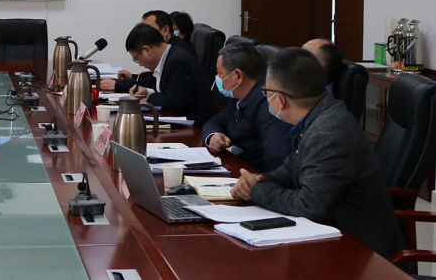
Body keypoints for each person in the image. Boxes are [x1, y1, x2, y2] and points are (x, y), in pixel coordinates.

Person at [231, 48, 404, 258]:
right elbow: (292, 166)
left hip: (361, 253)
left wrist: (256, 191)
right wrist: (260, 179)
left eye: (265, 93)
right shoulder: (319, 115)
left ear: (280, 99)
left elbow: (309, 205)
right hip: (333, 236)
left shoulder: (327, 133)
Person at [202, 42, 292, 172]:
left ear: (238, 76)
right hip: (240, 167)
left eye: (219, 73)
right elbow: (217, 120)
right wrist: (213, 135)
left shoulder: (269, 103)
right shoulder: (238, 95)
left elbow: (276, 158)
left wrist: (258, 181)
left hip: (256, 175)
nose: (218, 78)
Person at [121, 24, 215, 127]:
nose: (140, 64)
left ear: (147, 50)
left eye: (137, 59)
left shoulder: (178, 61)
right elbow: (170, 91)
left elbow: (174, 102)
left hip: (196, 129)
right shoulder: (170, 56)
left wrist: (149, 98)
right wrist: (148, 92)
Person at [102, 9, 196, 92]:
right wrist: (133, 77)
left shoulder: (178, 54)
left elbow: (156, 84)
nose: (144, 32)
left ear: (165, 30)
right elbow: (154, 79)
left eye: (149, 28)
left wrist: (118, 85)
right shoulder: (168, 50)